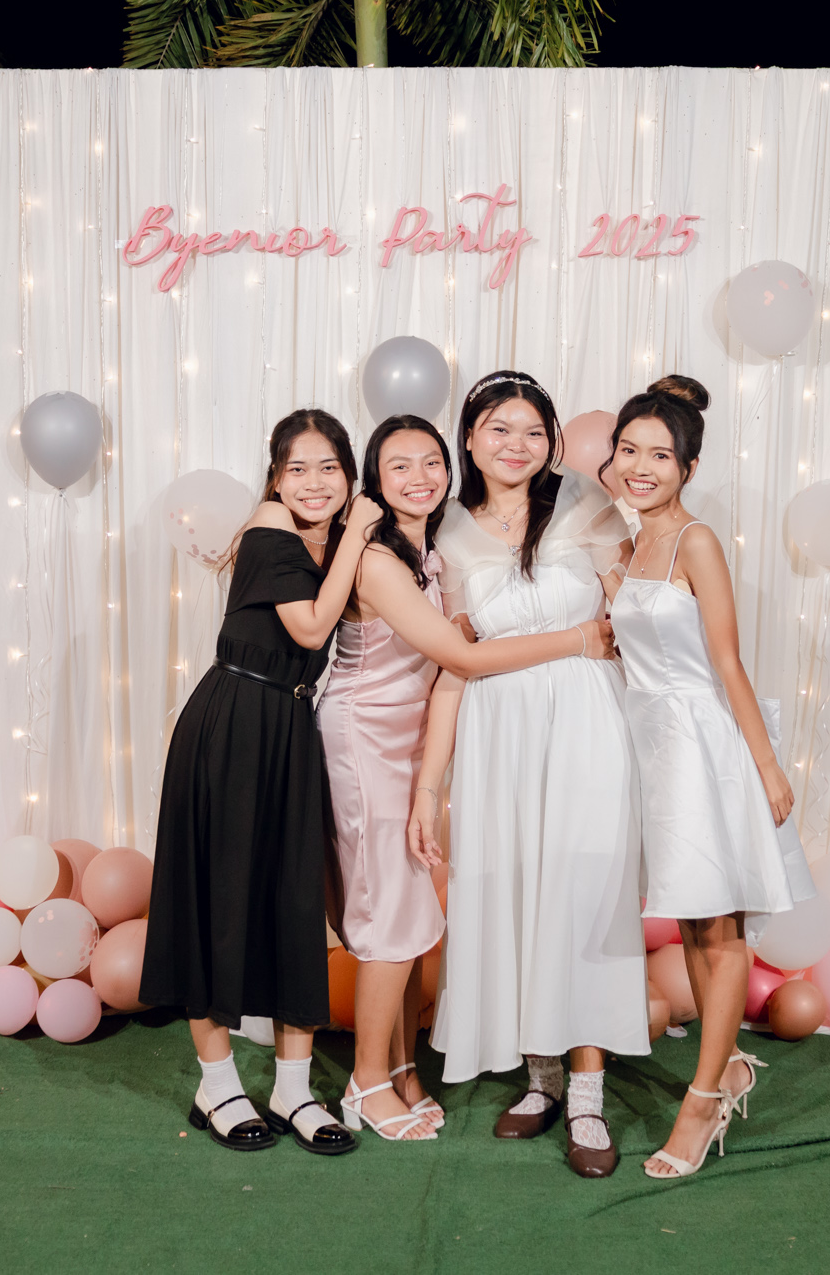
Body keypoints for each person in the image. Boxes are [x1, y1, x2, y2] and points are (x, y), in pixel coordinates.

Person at [317, 414, 617, 1144]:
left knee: (413, 908)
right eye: (398, 466)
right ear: (373, 480)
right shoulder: (384, 558)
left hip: (418, 737)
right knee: (391, 913)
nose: (419, 477)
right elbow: (465, 660)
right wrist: (581, 637)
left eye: (430, 462)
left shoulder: (431, 551)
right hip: (370, 739)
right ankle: (368, 1082)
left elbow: (452, 661)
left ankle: (402, 1069)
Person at [407, 371, 648, 1179]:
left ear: (552, 442)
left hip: (588, 724)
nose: (517, 444)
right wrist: (431, 783)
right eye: (499, 429)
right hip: (498, 734)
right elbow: (454, 665)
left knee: (581, 898)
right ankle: (541, 1078)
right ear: (470, 438)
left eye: (534, 431)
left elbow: (631, 619)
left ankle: (587, 1094)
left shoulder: (585, 503)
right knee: (515, 894)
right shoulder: (446, 531)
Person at [141, 409, 382, 1157]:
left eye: (329, 468)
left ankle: (292, 1088)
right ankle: (217, 1084)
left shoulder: (322, 540)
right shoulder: (271, 526)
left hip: (291, 728)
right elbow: (309, 629)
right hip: (235, 723)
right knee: (216, 901)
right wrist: (358, 530)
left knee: (293, 902)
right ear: (275, 478)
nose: (314, 483)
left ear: (349, 473)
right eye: (296, 468)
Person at [603, 376, 804, 1179]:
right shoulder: (628, 548)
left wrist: (766, 766)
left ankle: (702, 1101)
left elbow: (727, 663)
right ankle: (727, 1069)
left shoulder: (697, 542)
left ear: (687, 467)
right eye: (629, 450)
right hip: (650, 746)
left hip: (699, 748)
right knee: (692, 924)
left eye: (660, 455)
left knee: (720, 933)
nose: (641, 466)